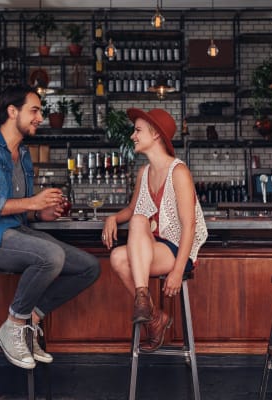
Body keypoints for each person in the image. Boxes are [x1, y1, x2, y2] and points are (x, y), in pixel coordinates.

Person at [0, 85, 100, 369]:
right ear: (12, 112)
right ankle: (12, 325)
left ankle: (28, 321)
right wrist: (32, 203)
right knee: (51, 256)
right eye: (34, 110)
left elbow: (20, 208)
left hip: (15, 233)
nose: (39, 118)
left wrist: (41, 213)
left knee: (89, 266)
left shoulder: (22, 155)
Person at [101, 108, 207, 352]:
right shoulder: (144, 172)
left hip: (178, 249)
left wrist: (178, 271)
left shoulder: (179, 172)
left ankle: (148, 310)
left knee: (138, 223)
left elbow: (189, 225)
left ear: (156, 135)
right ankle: (154, 313)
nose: (132, 136)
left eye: (137, 131)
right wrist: (113, 218)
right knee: (118, 254)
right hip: (154, 246)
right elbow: (132, 208)